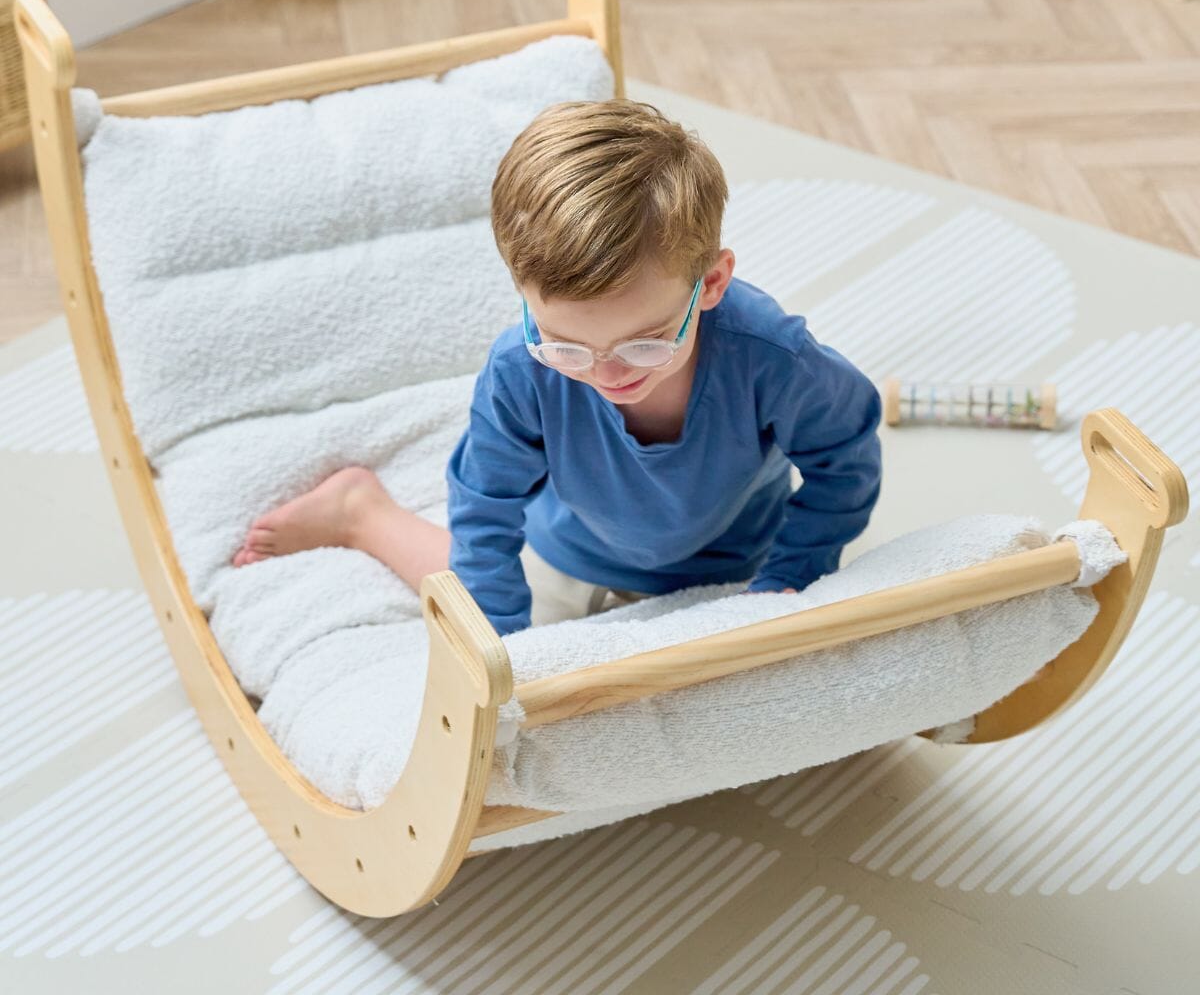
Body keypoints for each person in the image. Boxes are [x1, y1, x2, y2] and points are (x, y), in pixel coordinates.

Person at [233, 99, 883, 636]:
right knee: (482, 613)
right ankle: (362, 511)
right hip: (571, 549)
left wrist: (789, 578)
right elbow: (486, 506)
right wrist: (506, 645)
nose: (607, 374)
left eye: (645, 344)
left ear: (709, 284)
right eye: (567, 346)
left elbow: (845, 465)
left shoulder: (772, 357)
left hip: (735, 559)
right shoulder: (520, 366)